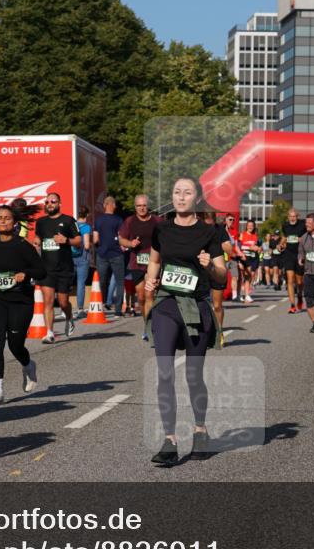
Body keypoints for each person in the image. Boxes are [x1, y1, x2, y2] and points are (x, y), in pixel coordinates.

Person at [145, 177, 227, 466]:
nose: (181, 197)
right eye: (177, 192)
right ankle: (169, 440)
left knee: (194, 375)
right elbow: (155, 261)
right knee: (165, 372)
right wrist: (150, 281)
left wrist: (210, 266)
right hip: (167, 304)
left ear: (197, 198)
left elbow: (222, 275)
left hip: (197, 307)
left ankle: (200, 431)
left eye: (187, 193)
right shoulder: (161, 229)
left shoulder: (209, 232)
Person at [0, 206, 46, 405]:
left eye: (7, 218)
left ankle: (28, 364)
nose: (3, 221)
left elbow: (41, 271)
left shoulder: (23, 246)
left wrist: (26, 274)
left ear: (14, 223)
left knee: (15, 345)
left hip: (20, 301)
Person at [34, 192, 80, 343]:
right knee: (48, 300)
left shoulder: (68, 220)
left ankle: (69, 317)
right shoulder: (41, 222)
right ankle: (49, 333)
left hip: (64, 268)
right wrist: (36, 242)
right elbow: (38, 238)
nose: (50, 204)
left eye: (53, 201)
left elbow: (78, 241)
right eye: (47, 202)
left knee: (63, 302)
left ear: (59, 203)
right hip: (47, 269)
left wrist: (66, 240)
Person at [120, 194, 161, 337]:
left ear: (148, 206)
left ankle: (153, 328)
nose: (142, 208)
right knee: (142, 297)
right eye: (139, 206)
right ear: (135, 207)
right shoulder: (130, 221)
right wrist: (130, 243)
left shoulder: (157, 221)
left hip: (154, 262)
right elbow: (121, 239)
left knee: (150, 295)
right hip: (136, 263)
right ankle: (146, 325)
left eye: (144, 205)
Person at [201, 209, 233, 348]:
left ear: (214, 221)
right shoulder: (197, 228)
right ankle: (204, 334)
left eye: (211, 224)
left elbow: (229, 248)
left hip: (217, 269)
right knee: (201, 304)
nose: (209, 227)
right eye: (206, 224)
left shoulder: (220, 229)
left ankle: (219, 331)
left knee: (217, 305)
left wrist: (223, 245)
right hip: (201, 270)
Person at [93, 195, 125, 315]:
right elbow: (121, 237)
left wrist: (99, 246)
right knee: (119, 282)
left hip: (102, 254)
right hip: (117, 254)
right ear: (113, 205)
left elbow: (95, 239)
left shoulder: (98, 220)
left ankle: (100, 307)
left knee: (101, 282)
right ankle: (118, 310)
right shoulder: (119, 220)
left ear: (104, 206)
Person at [279, 208, 307, 313]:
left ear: (297, 217)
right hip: (289, 254)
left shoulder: (302, 224)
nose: (292, 218)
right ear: (288, 217)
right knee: (290, 280)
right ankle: (292, 305)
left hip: (300, 254)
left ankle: (299, 295)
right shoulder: (285, 226)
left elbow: (308, 236)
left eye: (294, 216)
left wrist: (301, 239)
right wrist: (280, 244)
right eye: (291, 216)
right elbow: (285, 237)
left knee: (299, 282)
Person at [73, 206, 93, 317]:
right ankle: (80, 309)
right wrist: (90, 245)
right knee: (80, 283)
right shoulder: (86, 227)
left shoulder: (73, 225)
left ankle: (64, 309)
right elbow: (86, 245)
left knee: (67, 282)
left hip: (71, 257)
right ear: (87, 215)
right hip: (82, 257)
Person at [239, 220, 260, 303]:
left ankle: (247, 295)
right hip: (244, 257)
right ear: (246, 226)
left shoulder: (255, 236)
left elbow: (257, 247)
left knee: (249, 275)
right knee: (243, 275)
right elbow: (239, 246)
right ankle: (240, 294)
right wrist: (249, 247)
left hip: (252, 258)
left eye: (252, 225)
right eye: (249, 225)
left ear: (254, 227)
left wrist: (258, 248)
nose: (250, 227)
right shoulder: (242, 235)